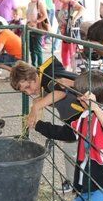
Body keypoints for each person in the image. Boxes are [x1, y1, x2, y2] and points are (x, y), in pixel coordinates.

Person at [30, 70, 103, 201]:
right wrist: (38, 125)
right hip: (92, 181)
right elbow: (65, 133)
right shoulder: (85, 117)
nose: (78, 99)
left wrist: (96, 108)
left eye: (80, 96)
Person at [10, 56, 81, 193]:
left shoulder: (48, 77)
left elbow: (60, 92)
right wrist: (40, 100)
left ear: (33, 75)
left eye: (28, 87)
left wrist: (35, 107)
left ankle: (78, 184)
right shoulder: (45, 75)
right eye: (25, 91)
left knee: (75, 149)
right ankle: (75, 182)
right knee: (71, 149)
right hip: (78, 117)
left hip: (87, 116)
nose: (29, 92)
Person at [57, 0, 85, 71]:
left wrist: (74, 18)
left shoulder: (71, 3)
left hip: (70, 33)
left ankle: (73, 71)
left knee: (72, 53)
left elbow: (82, 9)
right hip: (65, 33)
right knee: (64, 53)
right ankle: (66, 70)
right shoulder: (63, 5)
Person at [25, 0, 47, 67]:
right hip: (30, 29)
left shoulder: (39, 3)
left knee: (38, 50)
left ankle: (40, 68)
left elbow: (45, 15)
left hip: (38, 29)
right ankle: (33, 66)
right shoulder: (29, 4)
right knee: (32, 50)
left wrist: (36, 22)